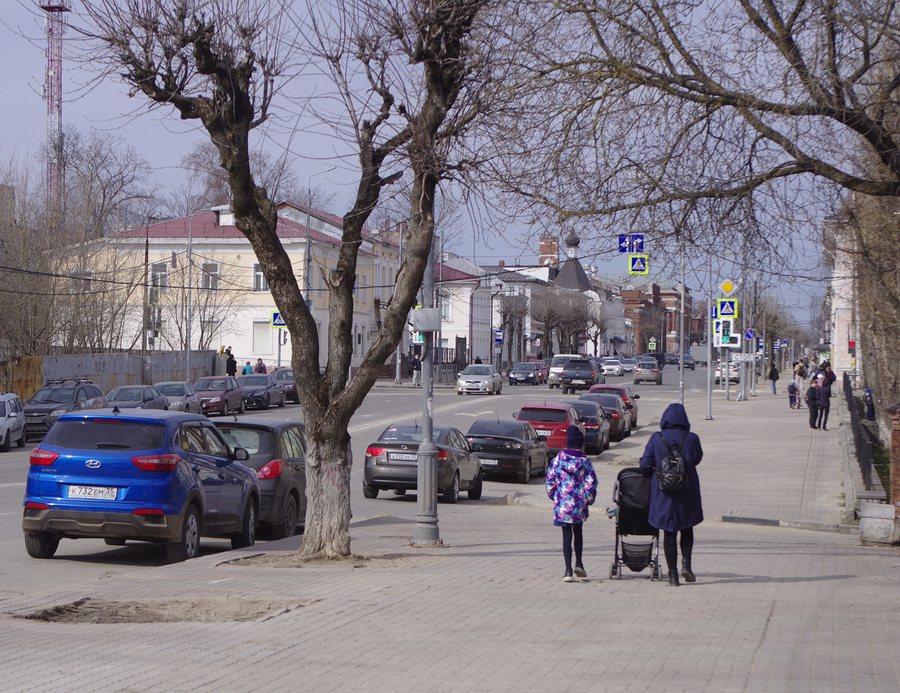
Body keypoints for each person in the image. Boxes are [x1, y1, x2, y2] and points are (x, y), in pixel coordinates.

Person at [639, 403, 703, 586]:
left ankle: (673, 575)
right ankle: (687, 565)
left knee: (669, 532)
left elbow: (645, 466)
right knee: (687, 527)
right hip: (687, 491)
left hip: (663, 494)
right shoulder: (692, 439)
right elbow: (697, 459)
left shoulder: (656, 438)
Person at [545, 425, 598, 582]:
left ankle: (567, 570)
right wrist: (588, 500)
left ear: (567, 443)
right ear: (581, 445)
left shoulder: (558, 460)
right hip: (578, 505)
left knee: (566, 535)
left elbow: (550, 481)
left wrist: (555, 497)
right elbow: (591, 484)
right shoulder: (585, 463)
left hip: (563, 504)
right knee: (578, 533)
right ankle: (579, 563)